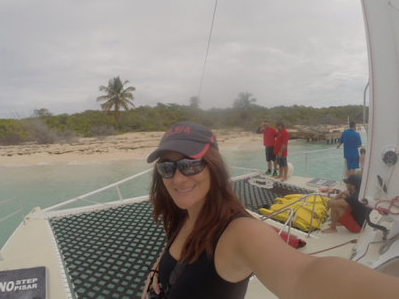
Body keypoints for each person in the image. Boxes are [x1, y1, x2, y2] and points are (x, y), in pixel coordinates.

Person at [141, 121, 399, 299]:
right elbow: (175, 251)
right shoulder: (182, 214)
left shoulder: (239, 232)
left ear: (213, 168)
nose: (177, 178)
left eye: (189, 165)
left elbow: (302, 275)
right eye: (167, 168)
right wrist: (157, 271)